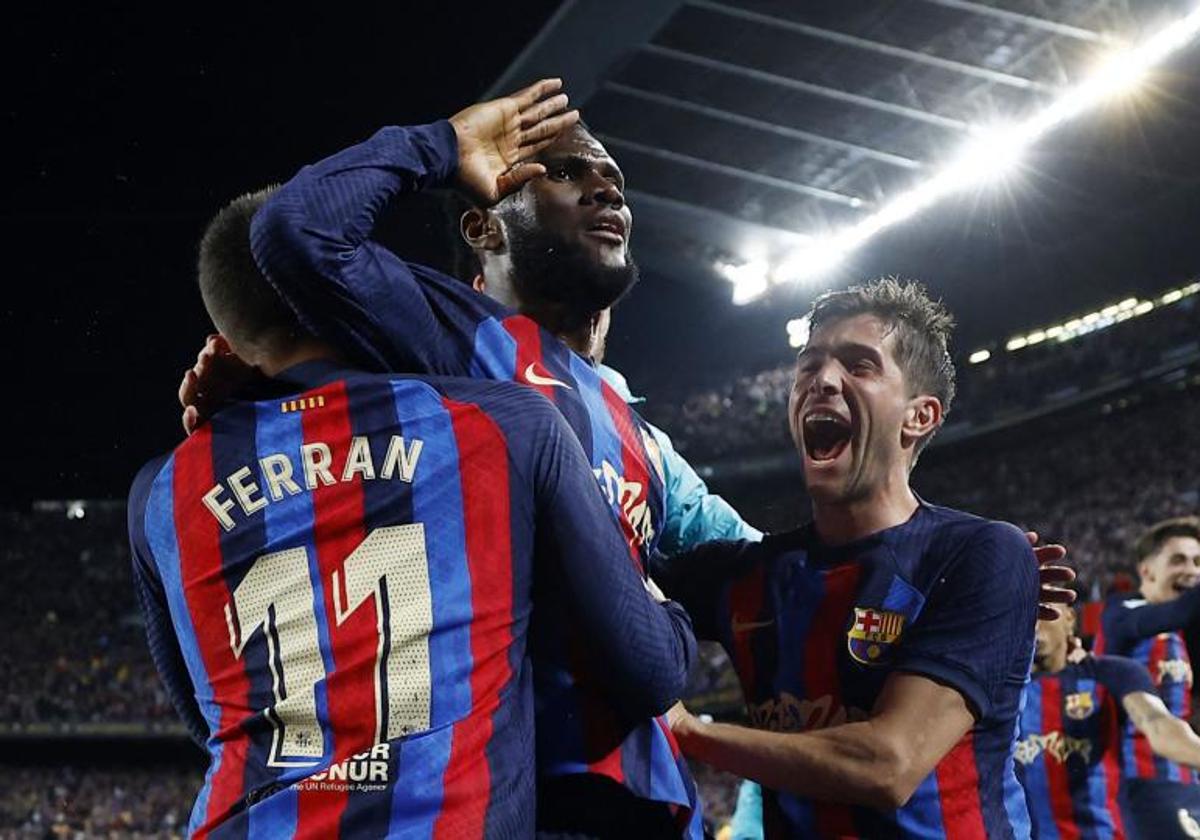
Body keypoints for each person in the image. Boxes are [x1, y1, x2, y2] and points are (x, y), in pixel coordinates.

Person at [178, 83, 1072, 834]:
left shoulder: (639, 435)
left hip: (648, 804)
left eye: (614, 179)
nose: (607, 192)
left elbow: (795, 577)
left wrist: (970, 577)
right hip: (523, 798)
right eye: (567, 173)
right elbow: (298, 236)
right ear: (484, 230)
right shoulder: (454, 343)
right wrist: (442, 147)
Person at [128, 189, 696, 837]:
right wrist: (670, 604)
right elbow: (652, 674)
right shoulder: (499, 423)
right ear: (346, 289)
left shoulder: (159, 490)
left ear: (226, 340)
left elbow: (209, 720)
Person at [654, 279, 1055, 837]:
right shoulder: (746, 575)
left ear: (920, 416)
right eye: (808, 365)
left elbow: (888, 764)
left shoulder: (977, 553)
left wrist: (686, 730)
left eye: (859, 365)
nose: (821, 379)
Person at [1018, 604, 1200, 838]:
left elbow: (1157, 724)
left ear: (1070, 619)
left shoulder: (1111, 673)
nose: (1032, 623)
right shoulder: (992, 693)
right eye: (1020, 611)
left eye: (1043, 610)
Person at [1093, 516, 1200, 837]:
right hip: (1137, 786)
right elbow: (1178, 611)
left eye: (1198, 561)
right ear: (1147, 571)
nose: (1192, 570)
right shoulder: (1121, 613)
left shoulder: (1179, 634)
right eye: (1178, 560)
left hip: (1188, 777)